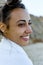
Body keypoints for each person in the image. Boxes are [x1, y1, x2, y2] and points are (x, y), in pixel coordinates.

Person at [0, 0, 33, 65]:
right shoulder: (19, 59)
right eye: (21, 24)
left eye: (29, 23)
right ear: (3, 27)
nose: (30, 30)